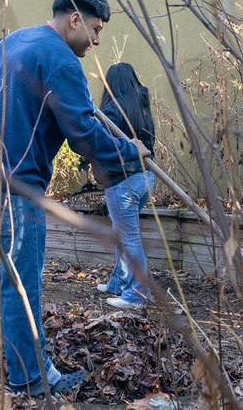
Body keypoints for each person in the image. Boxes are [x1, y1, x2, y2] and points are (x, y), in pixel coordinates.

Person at [0, 0, 151, 394]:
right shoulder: (62, 61)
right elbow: (84, 138)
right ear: (75, 19)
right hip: (11, 186)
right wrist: (131, 150)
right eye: (96, 30)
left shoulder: (12, 41)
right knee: (19, 284)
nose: (97, 41)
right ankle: (31, 378)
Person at [92, 63, 156, 309]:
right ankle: (118, 283)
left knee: (129, 236)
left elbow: (100, 141)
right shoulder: (141, 105)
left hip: (122, 181)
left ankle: (137, 294)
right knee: (125, 233)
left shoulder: (112, 108)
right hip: (144, 178)